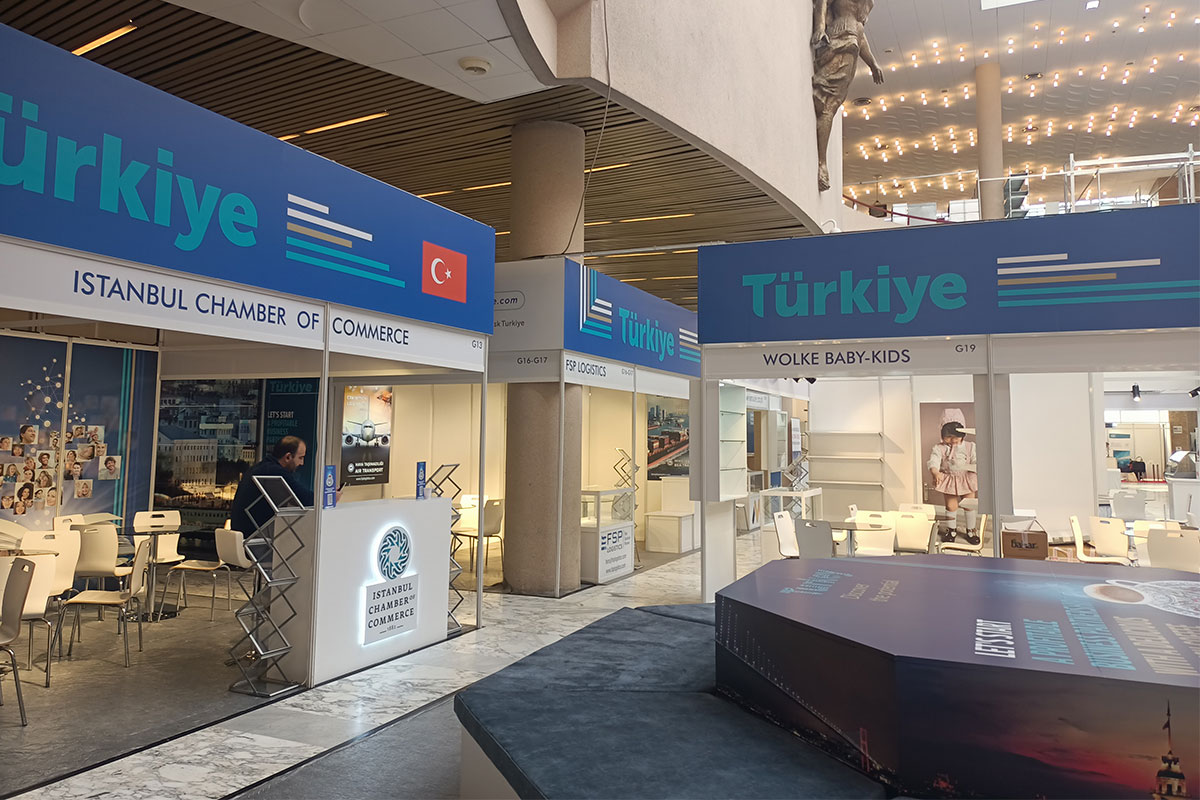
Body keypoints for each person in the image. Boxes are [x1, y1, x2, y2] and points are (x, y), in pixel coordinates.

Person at [229, 436, 318, 537]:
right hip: (253, 537)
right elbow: (304, 498)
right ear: (288, 457)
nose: (302, 463)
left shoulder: (261, 468)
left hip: (243, 534)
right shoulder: (274, 472)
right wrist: (326, 498)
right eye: (300, 458)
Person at [928, 413, 979, 545]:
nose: (953, 440)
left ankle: (971, 530)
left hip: (966, 478)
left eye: (956, 436)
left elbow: (976, 460)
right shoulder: (940, 448)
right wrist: (935, 472)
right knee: (951, 506)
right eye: (948, 436)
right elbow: (934, 461)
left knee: (969, 505)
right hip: (950, 479)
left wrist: (974, 468)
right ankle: (951, 530)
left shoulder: (970, 446)